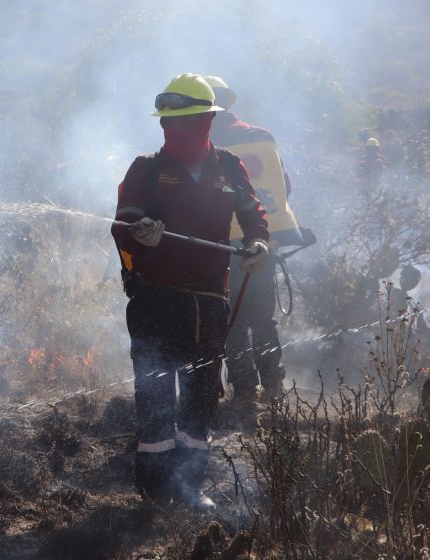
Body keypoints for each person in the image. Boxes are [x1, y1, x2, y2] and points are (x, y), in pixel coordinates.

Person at [112, 74, 269, 509]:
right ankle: (154, 492)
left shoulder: (228, 166)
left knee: (201, 394)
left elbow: (252, 213)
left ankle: (191, 487)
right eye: (169, 123)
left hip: (208, 302)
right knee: (156, 397)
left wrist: (257, 242)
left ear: (206, 120)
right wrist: (138, 234)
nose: (175, 131)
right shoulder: (145, 168)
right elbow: (123, 222)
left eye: (185, 122)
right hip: (155, 301)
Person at [202, 75, 294, 401]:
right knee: (262, 317)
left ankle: (244, 392)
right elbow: (285, 186)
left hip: (221, 245)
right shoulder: (260, 136)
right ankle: (273, 385)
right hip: (263, 241)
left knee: (234, 321)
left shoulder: (203, 142)